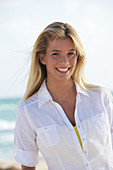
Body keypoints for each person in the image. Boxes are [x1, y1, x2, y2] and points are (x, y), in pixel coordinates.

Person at [14, 22, 113, 170]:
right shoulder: (29, 111)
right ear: (42, 58)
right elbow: (28, 165)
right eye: (56, 54)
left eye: (70, 53)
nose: (64, 61)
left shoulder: (100, 97)